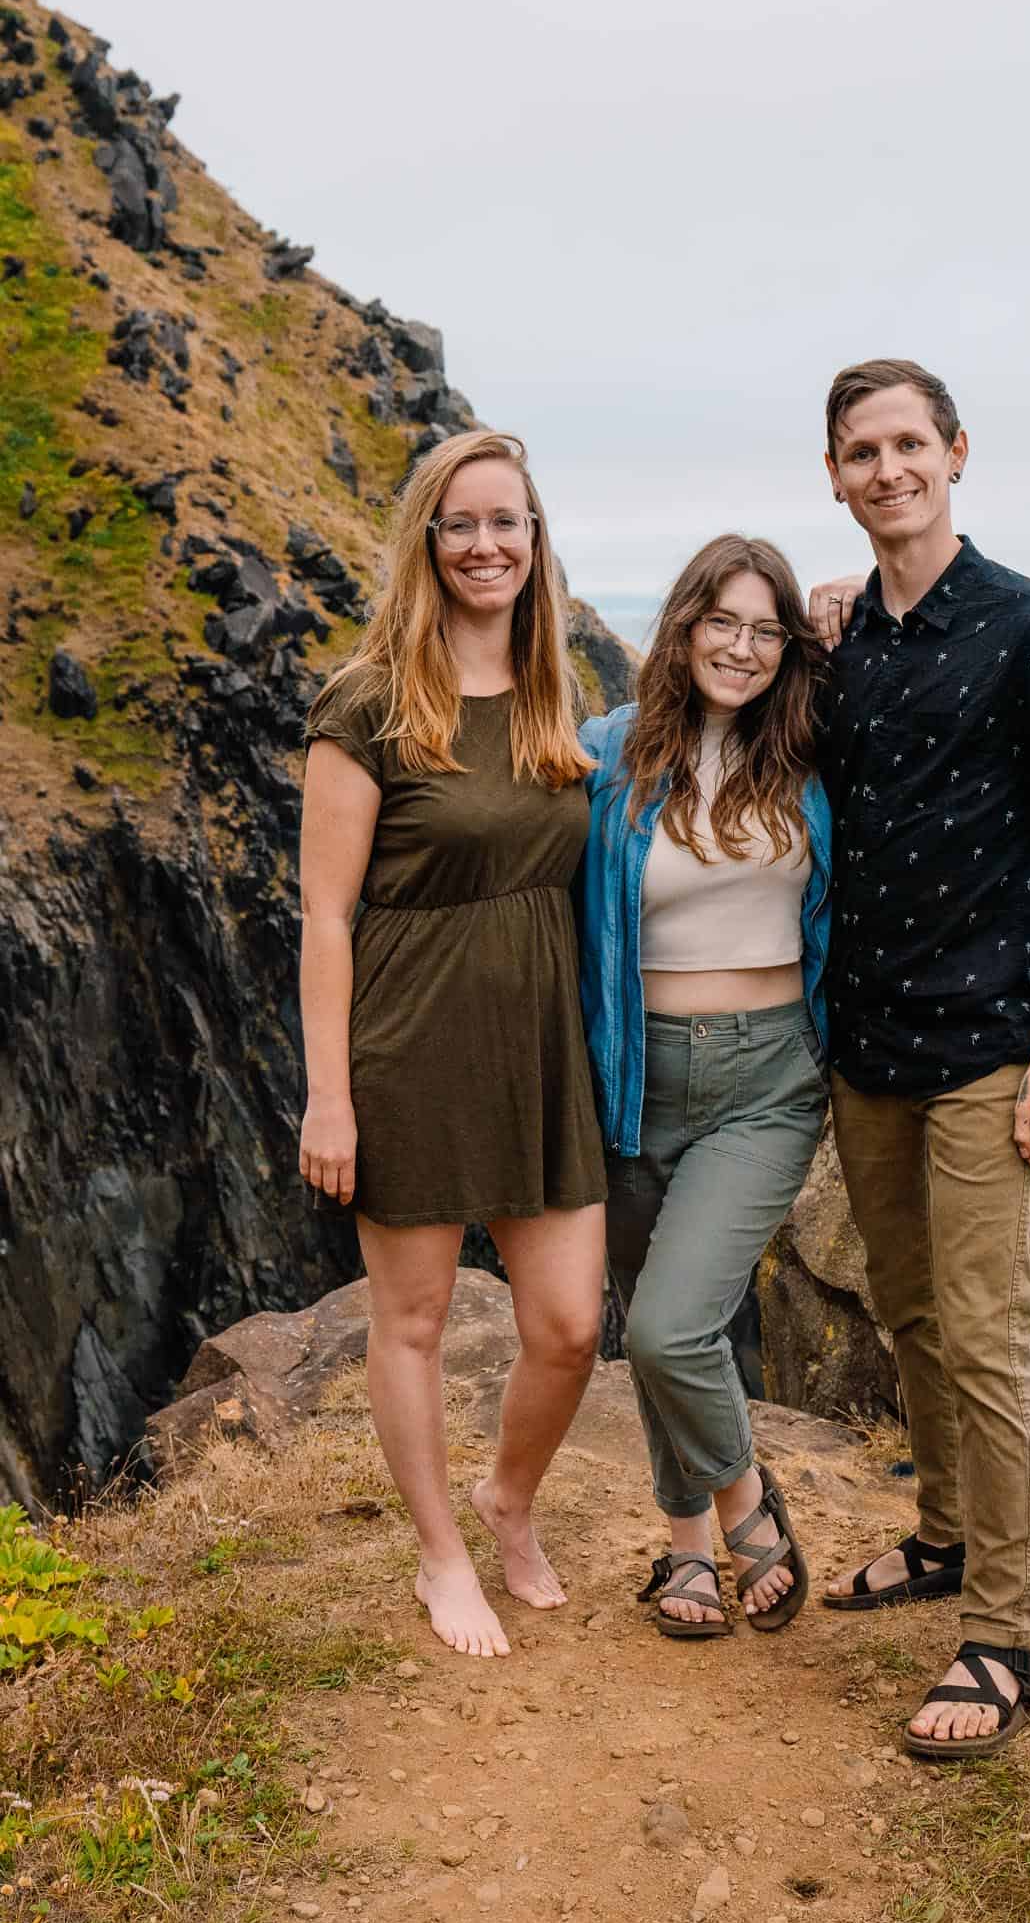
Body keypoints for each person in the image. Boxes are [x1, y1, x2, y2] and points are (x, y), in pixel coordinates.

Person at [808, 359, 1030, 1756]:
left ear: (955, 453)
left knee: (988, 1336)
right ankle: (941, 1536)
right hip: (864, 1043)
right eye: (860, 451)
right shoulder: (843, 641)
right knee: (909, 1312)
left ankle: (1000, 1636)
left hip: (991, 1043)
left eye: (907, 444)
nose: (887, 469)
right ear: (833, 477)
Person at [297, 430, 607, 1661]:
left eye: (508, 524)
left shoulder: (553, 691)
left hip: (540, 1042)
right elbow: (323, 914)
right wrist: (329, 1096)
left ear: (536, 545)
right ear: (428, 543)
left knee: (571, 1323)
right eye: (463, 524)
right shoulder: (366, 700)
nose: (487, 545)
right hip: (406, 1040)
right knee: (413, 1320)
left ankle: (507, 1502)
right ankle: (440, 1554)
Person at [577, 536, 832, 1637]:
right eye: (721, 622)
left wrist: (853, 617)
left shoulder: (816, 759)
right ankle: (684, 1545)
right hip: (636, 1075)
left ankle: (746, 1511)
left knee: (669, 1326)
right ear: (682, 628)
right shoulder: (606, 755)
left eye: (765, 628)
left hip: (770, 1076)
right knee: (663, 1317)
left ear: (788, 646)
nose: (741, 646)